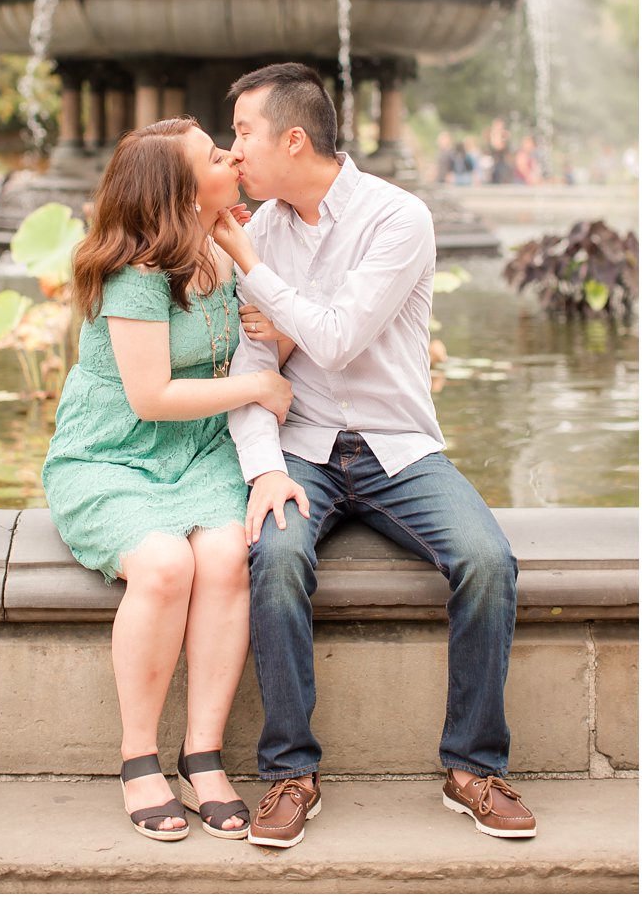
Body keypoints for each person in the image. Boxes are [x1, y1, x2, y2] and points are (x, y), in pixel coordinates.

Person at [214, 62, 534, 849]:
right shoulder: (260, 230)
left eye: (243, 133)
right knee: (276, 554)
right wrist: (266, 470)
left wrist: (260, 281)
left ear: (294, 137)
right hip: (306, 450)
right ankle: (291, 771)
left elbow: (334, 336)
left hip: (399, 446)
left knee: (489, 561)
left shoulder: (398, 218)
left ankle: (473, 767)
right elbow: (252, 370)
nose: (234, 152)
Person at [41, 117, 301, 842]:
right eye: (218, 156)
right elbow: (150, 396)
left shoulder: (226, 241)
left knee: (225, 555)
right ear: (182, 192)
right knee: (162, 565)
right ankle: (137, 757)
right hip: (113, 453)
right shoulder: (136, 273)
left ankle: (202, 753)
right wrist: (256, 392)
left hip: (198, 452)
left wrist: (274, 338)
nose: (235, 156)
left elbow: (262, 335)